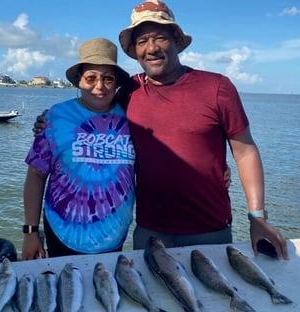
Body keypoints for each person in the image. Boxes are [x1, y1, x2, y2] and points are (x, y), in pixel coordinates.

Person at [33, 0, 288, 259]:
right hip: (150, 232)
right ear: (135, 50)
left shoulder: (217, 87)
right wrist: (47, 121)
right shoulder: (129, 92)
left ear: (176, 40)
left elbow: (245, 152)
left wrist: (257, 217)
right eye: (142, 41)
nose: (151, 48)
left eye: (160, 38)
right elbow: (92, 111)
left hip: (210, 228)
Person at [22, 38, 135, 260]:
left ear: (116, 83)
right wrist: (30, 232)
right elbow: (36, 174)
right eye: (91, 78)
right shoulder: (56, 117)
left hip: (115, 234)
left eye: (108, 78)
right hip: (62, 232)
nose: (99, 86)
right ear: (79, 82)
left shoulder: (132, 117)